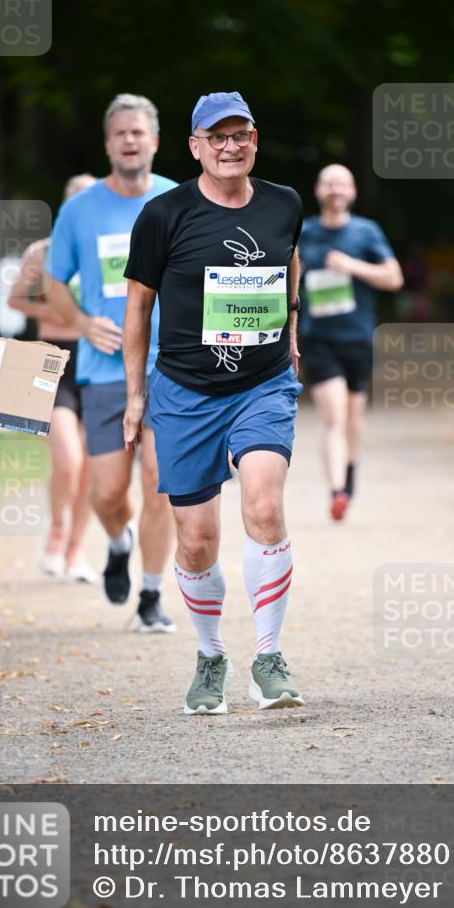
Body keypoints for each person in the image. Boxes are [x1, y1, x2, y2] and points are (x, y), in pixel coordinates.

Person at [123, 90, 305, 714]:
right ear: (196, 147)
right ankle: (210, 657)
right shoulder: (163, 213)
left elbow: (291, 264)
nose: (230, 147)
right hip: (184, 391)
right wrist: (135, 394)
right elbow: (138, 306)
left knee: (263, 503)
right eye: (217, 138)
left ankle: (269, 658)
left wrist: (293, 334)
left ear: (255, 139)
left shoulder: (284, 203)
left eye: (241, 135)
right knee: (196, 540)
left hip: (262, 382)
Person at [43, 94, 176, 632]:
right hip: (104, 371)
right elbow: (52, 281)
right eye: (120, 133)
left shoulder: (177, 200)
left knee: (161, 483)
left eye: (138, 133)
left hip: (170, 370)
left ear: (155, 142)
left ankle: (151, 595)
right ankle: (118, 543)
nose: (129, 141)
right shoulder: (80, 211)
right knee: (106, 493)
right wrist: (80, 323)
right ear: (108, 143)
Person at [299, 164, 403, 520]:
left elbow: (394, 277)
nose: (336, 188)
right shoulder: (305, 232)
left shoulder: (366, 232)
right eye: (329, 182)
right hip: (318, 339)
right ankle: (337, 490)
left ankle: (350, 468)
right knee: (334, 416)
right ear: (318, 189)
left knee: (353, 418)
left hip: (357, 337)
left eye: (343, 182)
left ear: (353, 191)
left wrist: (352, 266)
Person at [8, 174, 98, 583]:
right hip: (53, 362)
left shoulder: (107, 252)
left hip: (98, 363)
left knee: (92, 468)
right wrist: (55, 313)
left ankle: (78, 548)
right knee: (68, 461)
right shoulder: (42, 252)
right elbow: (15, 299)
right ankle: (56, 533)